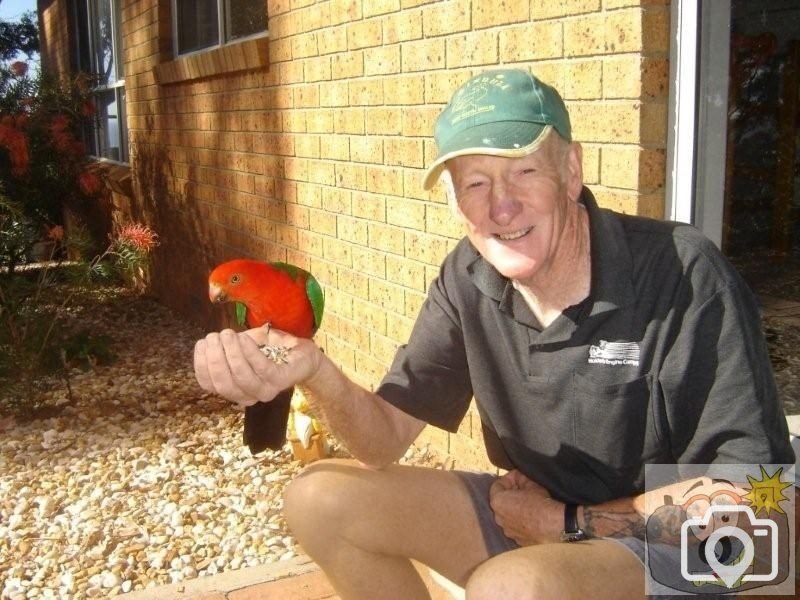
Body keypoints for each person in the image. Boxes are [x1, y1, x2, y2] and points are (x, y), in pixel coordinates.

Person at [194, 68, 796, 599]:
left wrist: (568, 522)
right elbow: (381, 444)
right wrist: (313, 370)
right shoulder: (469, 276)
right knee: (319, 498)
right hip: (529, 514)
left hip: (681, 547)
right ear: (455, 199)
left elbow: (757, 498)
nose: (500, 207)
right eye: (474, 182)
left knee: (510, 587)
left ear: (571, 170)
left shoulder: (682, 272)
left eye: (524, 170)